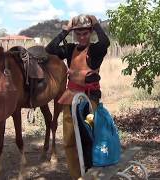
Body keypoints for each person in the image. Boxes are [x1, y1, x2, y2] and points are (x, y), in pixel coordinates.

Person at [45, 14, 110, 179]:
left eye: (85, 33)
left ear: (90, 33)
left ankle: (91, 174)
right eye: (78, 34)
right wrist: (65, 31)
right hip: (70, 98)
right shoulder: (69, 49)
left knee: (88, 138)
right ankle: (77, 176)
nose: (81, 37)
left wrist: (95, 24)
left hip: (89, 99)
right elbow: (50, 48)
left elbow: (105, 42)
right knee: (69, 140)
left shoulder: (95, 50)